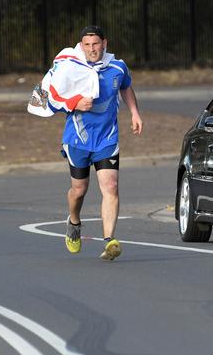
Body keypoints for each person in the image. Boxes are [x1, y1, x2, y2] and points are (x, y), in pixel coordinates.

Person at [63, 26, 143, 261]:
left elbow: (126, 87)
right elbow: (54, 96)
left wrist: (135, 113)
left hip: (107, 139)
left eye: (95, 44)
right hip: (77, 139)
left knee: (111, 187)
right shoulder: (73, 68)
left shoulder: (117, 67)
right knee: (79, 190)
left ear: (104, 43)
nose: (92, 49)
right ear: (81, 45)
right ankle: (74, 221)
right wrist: (75, 104)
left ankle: (109, 240)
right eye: (87, 45)